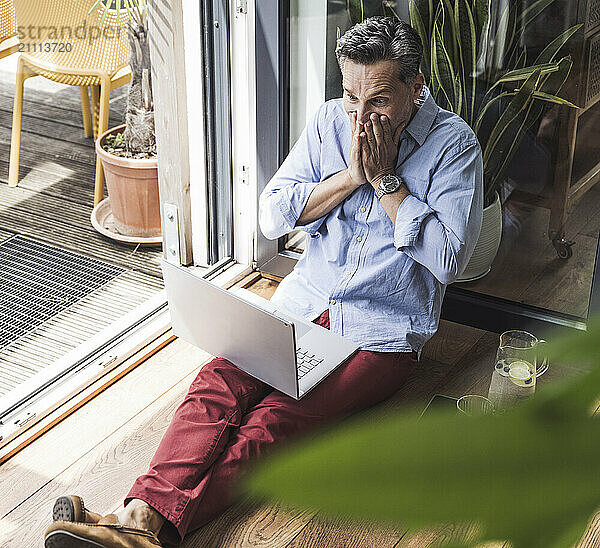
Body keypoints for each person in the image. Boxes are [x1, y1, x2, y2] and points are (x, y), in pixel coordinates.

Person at [44, 16, 482, 548]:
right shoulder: (328, 124)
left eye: (378, 101)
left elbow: (449, 260)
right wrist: (351, 176)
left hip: (379, 336)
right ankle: (138, 522)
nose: (361, 120)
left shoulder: (454, 146)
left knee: (271, 423)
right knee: (216, 383)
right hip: (301, 307)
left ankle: (135, 522)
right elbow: (272, 216)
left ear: (416, 86)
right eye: (350, 98)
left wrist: (387, 181)